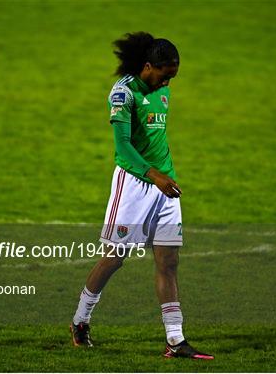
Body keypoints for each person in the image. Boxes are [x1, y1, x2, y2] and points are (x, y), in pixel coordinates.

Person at [69, 32, 214, 360]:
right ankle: (81, 320)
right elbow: (123, 148)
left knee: (169, 261)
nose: (169, 84)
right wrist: (154, 175)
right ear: (148, 67)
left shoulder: (162, 91)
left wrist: (165, 178)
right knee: (115, 257)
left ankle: (175, 340)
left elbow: (155, 138)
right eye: (165, 76)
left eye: (173, 77)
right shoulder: (123, 94)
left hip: (165, 188)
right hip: (134, 187)